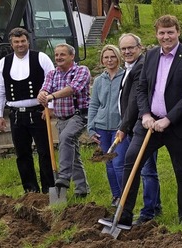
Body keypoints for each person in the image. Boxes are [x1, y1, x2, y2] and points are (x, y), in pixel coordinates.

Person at [115, 14, 182, 229]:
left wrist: (168, 119)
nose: (166, 37)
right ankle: (124, 215)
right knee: (132, 162)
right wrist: (145, 115)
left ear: (178, 32)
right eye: (162, 33)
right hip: (148, 124)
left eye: (170, 32)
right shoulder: (150, 56)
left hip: (178, 126)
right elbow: (142, 88)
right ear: (156, 34)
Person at [0, 27, 55, 194]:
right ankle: (30, 191)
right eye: (16, 42)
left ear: (28, 41)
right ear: (11, 43)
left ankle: (49, 190)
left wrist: (49, 108)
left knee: (45, 151)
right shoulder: (4, 63)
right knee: (22, 154)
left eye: (23, 41)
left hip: (38, 113)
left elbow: (52, 82)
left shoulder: (41, 58)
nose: (20, 44)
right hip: (16, 116)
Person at [116, 33, 162, 225]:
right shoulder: (129, 67)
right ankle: (153, 207)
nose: (127, 51)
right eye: (124, 48)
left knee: (145, 169)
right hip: (134, 125)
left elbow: (135, 100)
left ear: (140, 47)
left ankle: (148, 212)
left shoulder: (141, 66)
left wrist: (124, 127)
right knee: (142, 168)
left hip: (142, 125)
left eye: (131, 48)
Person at [37, 43, 92, 198]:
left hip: (79, 115)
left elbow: (72, 89)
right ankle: (82, 190)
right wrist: (42, 94)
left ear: (71, 56)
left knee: (66, 138)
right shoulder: (52, 74)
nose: (59, 58)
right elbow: (45, 88)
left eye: (62, 54)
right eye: (56, 55)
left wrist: (51, 96)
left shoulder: (81, 71)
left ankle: (63, 178)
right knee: (72, 154)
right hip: (61, 118)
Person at [87, 44, 128, 206]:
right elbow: (94, 104)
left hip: (120, 127)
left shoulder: (126, 77)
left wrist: (125, 125)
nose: (109, 60)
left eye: (112, 56)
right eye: (106, 57)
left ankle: (125, 198)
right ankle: (116, 196)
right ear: (102, 60)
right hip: (102, 127)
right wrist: (91, 127)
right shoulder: (98, 80)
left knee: (118, 163)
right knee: (109, 163)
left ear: (118, 58)